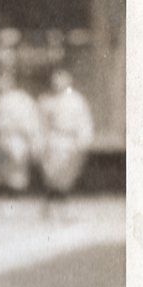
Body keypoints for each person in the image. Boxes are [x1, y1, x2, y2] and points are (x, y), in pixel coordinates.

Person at [37, 69, 95, 204]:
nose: (57, 84)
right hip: (53, 139)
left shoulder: (77, 100)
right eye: (55, 81)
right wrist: (40, 142)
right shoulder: (46, 100)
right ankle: (50, 207)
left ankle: (64, 206)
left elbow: (84, 122)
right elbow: (41, 124)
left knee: (67, 177)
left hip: (70, 140)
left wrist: (83, 141)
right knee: (51, 176)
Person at [0, 70, 43, 193]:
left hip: (17, 137)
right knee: (3, 166)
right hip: (5, 137)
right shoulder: (2, 99)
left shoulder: (22, 99)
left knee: (16, 168)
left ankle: (14, 190)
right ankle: (6, 188)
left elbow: (31, 121)